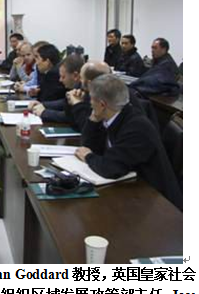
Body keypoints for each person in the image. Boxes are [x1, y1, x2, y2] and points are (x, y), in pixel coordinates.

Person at [75, 74, 182, 210]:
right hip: (134, 189)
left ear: (102, 105)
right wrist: (93, 120)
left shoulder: (136, 128)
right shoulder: (115, 115)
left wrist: (88, 156)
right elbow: (88, 147)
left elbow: (111, 168)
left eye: (91, 99)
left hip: (158, 203)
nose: (90, 103)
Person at [29, 53, 84, 123]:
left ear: (75, 76)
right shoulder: (77, 86)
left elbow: (71, 117)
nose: (60, 80)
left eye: (63, 77)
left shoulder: (86, 89)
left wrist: (44, 113)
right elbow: (65, 102)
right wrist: (43, 104)